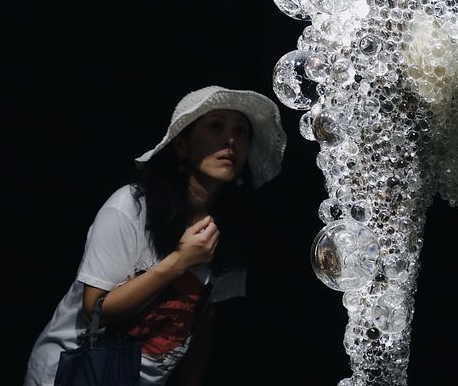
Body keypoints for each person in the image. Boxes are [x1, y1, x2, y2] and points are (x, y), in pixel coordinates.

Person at [24, 85, 286, 386]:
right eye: (216, 126)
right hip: (73, 373)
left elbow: (205, 318)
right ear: (182, 146)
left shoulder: (230, 229)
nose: (231, 140)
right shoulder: (130, 207)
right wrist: (179, 261)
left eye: (242, 132)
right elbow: (98, 309)